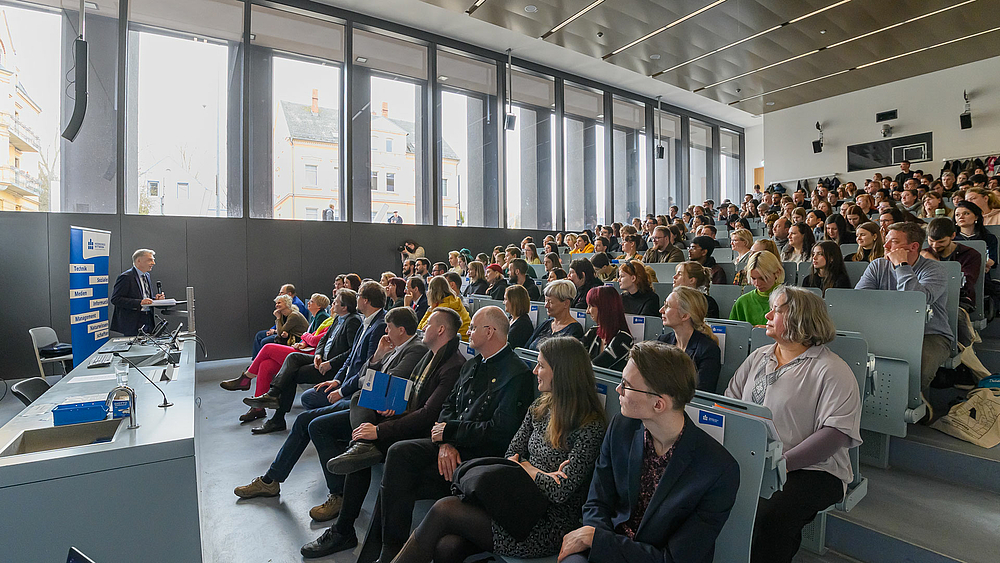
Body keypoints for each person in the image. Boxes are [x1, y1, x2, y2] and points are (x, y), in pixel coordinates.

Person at [390, 337, 606, 563]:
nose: (534, 371)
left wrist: (525, 468)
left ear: (562, 372)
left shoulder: (589, 427)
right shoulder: (540, 408)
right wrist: (532, 469)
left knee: (444, 509)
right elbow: (510, 455)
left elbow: (560, 492)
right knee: (446, 547)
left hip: (546, 522)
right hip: (514, 502)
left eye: (541, 365)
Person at [354, 306, 535, 563]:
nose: (468, 332)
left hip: (480, 458)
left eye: (473, 327)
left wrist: (451, 434)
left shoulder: (517, 374)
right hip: (452, 445)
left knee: (399, 480)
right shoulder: (472, 363)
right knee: (399, 455)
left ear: (490, 331)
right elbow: (449, 406)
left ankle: (387, 554)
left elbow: (501, 431)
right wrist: (446, 442)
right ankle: (389, 550)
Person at [234, 307, 427, 528]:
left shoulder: (414, 350)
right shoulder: (392, 347)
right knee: (304, 420)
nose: (385, 331)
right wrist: (378, 356)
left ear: (401, 330)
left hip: (372, 411)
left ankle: (336, 494)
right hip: (362, 402)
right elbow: (366, 374)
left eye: (389, 328)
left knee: (316, 425)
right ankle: (272, 480)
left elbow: (382, 385)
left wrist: (368, 379)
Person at [300, 308, 468, 558]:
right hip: (402, 417)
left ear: (441, 330)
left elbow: (427, 415)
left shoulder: (451, 364)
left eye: (429, 322)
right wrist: (392, 400)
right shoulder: (432, 356)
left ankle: (344, 530)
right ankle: (346, 521)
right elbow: (403, 389)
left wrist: (378, 430)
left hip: (417, 431)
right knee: (359, 400)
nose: (423, 326)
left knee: (362, 448)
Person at [559, 341, 740, 563]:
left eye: (626, 384)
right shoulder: (621, 428)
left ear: (658, 405)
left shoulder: (718, 469)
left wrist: (599, 541)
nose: (619, 389)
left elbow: (674, 559)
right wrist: (599, 542)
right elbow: (597, 501)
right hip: (608, 548)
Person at [726, 287, 861, 563]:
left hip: (812, 470)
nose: (767, 314)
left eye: (776, 310)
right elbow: (731, 404)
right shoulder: (759, 356)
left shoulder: (831, 370)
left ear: (801, 318)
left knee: (770, 515)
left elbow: (833, 435)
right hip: (755, 460)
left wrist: (779, 465)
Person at [244, 283, 385, 433]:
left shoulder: (354, 321)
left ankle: (275, 412)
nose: (333, 303)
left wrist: (331, 366)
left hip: (333, 366)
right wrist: (318, 354)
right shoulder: (340, 319)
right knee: (291, 358)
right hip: (322, 358)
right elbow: (324, 339)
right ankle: (272, 396)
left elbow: (353, 355)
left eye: (336, 301)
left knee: (281, 363)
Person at [856, 222, 954, 417]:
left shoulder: (935, 270)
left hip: (930, 334)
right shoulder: (877, 266)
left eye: (893, 242)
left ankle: (909, 404)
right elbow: (860, 301)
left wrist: (902, 266)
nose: (885, 247)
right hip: (886, 331)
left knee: (921, 365)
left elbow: (914, 302)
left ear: (913, 247)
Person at [658, 287, 721, 393]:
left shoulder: (708, 350)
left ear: (685, 316)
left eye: (667, 306)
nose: (661, 310)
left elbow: (701, 394)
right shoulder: (663, 341)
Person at [924, 218, 981, 312]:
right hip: (931, 298)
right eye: (931, 241)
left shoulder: (970, 255)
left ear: (953, 236)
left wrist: (935, 263)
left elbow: (965, 284)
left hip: (959, 299)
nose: (934, 246)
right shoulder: (924, 253)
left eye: (941, 242)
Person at [110, 248, 165, 336]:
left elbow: (143, 297)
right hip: (132, 322)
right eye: (150, 260)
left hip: (148, 318)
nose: (153, 263)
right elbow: (116, 299)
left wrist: (155, 299)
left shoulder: (147, 275)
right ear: (139, 261)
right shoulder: (126, 277)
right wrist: (140, 302)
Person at [581, 286, 634, 369]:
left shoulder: (624, 339)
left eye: (591, 306)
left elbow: (596, 366)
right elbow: (574, 356)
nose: (587, 311)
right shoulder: (592, 332)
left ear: (604, 308)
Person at [730, 250, 785, 326]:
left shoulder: (790, 300)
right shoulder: (742, 302)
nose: (757, 284)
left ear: (777, 273)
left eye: (763, 278)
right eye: (753, 278)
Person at [529, 280, 585, 350]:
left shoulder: (574, 330)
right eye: (546, 301)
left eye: (550, 302)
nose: (546, 306)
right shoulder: (545, 324)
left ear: (566, 303)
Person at [954, 201, 998, 269]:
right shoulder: (951, 239)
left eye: (966, 213)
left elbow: (992, 261)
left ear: (976, 217)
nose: (961, 217)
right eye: (957, 215)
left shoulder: (988, 238)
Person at [504, 284, 535, 349]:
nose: (504, 302)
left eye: (506, 299)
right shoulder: (511, 319)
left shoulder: (523, 324)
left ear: (514, 301)